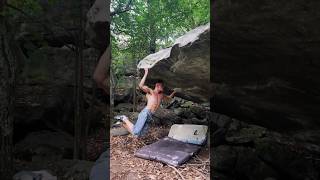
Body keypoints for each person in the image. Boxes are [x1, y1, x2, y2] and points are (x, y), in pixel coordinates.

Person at [114, 68, 178, 137]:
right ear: (157, 85)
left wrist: (175, 91)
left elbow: (169, 98)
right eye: (162, 86)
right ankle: (124, 118)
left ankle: (121, 124)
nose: (163, 87)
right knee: (136, 132)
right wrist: (146, 73)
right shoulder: (150, 91)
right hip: (145, 112)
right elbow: (140, 86)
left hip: (151, 115)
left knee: (139, 135)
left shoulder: (161, 95)